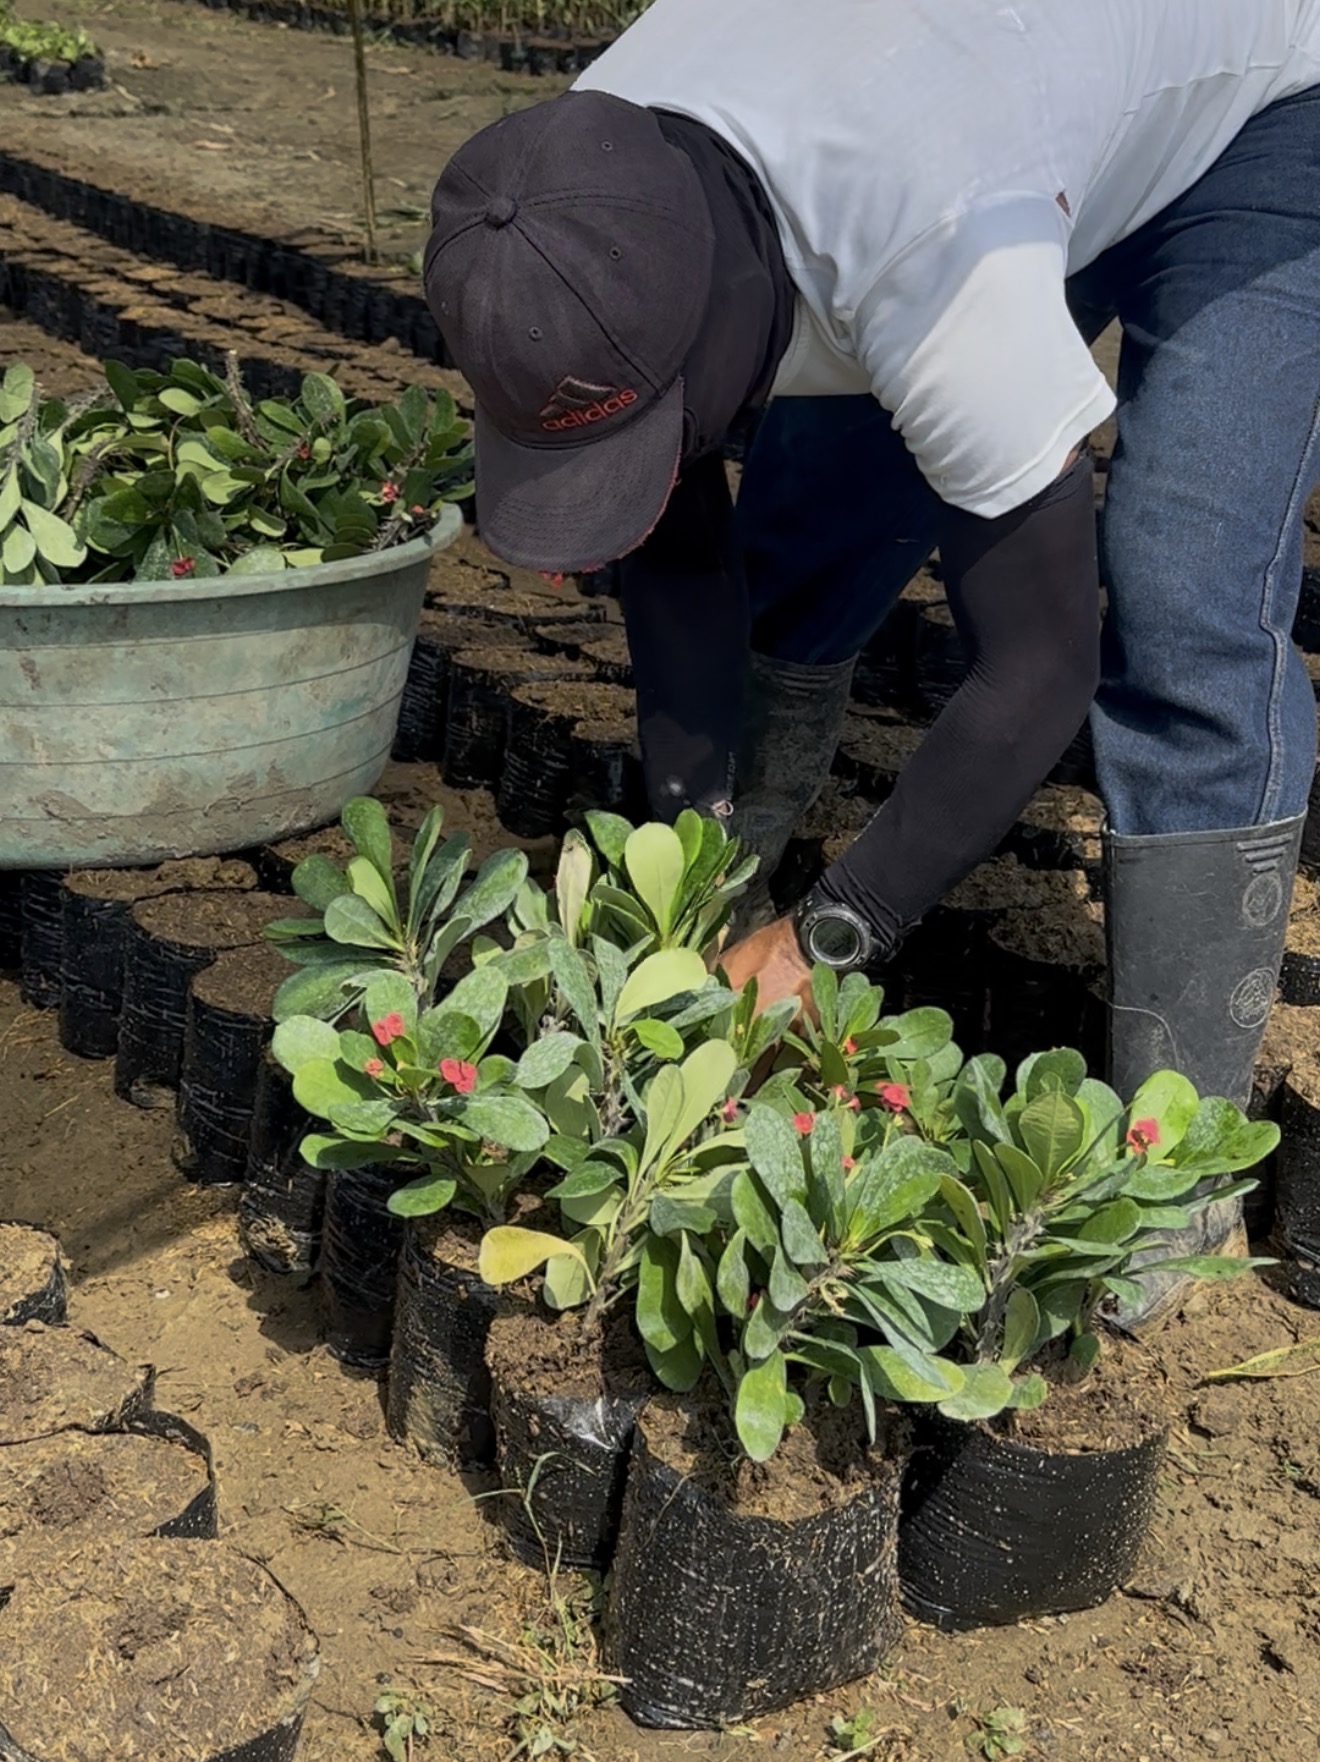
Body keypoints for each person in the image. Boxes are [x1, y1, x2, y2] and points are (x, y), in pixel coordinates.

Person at [422, 1, 1320, 1322]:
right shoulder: (585, 190)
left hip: (1256, 98)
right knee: (812, 534)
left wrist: (830, 938)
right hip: (1005, 100)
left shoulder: (930, 252)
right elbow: (672, 552)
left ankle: (1170, 1186)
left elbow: (1040, 663)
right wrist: (698, 877)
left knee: (1182, 591)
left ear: (723, 322)